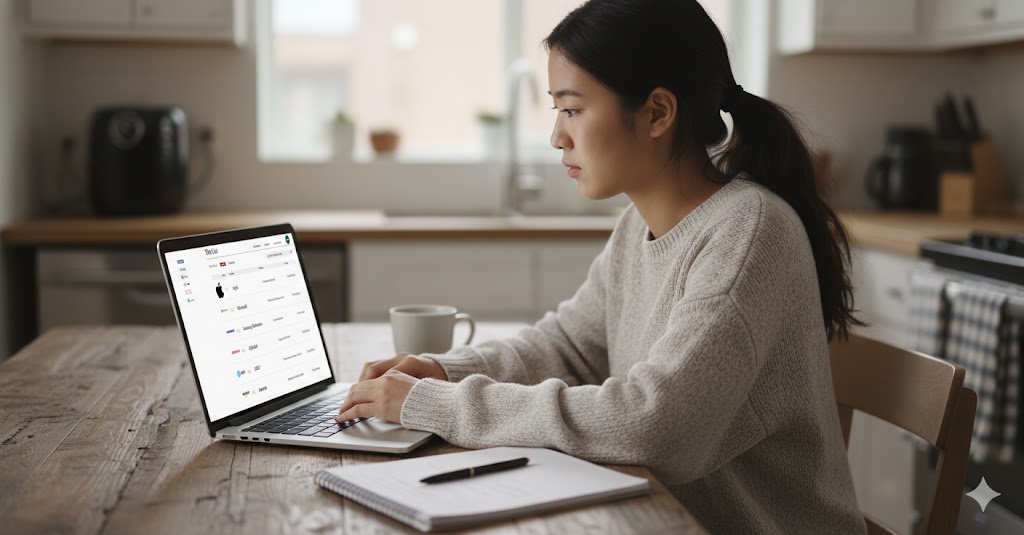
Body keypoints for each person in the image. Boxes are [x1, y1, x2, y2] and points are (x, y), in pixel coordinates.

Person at [336, 0, 867, 532]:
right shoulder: (639, 227)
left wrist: (439, 405)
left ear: (658, 112)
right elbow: (569, 347)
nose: (556, 137)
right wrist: (443, 371)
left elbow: (660, 429)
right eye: (557, 110)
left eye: (572, 109)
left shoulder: (749, 232)